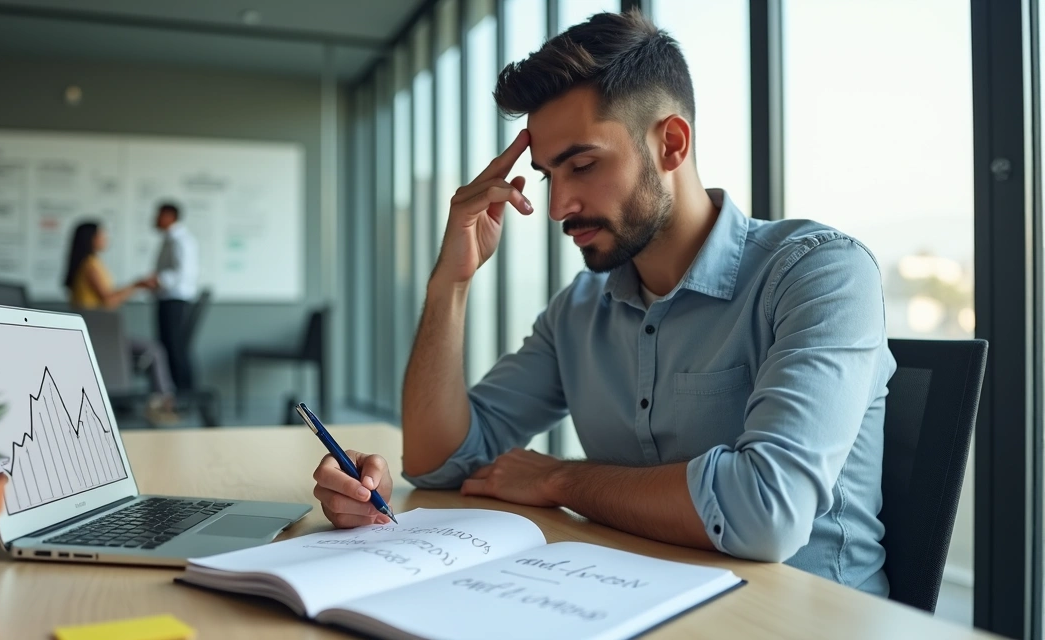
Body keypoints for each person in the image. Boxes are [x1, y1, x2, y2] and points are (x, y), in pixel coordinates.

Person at [310, 9, 896, 597]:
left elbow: (764, 513)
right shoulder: (582, 308)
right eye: (546, 176)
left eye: (583, 165)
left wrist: (560, 479)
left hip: (799, 616)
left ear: (671, 143)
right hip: (628, 598)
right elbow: (439, 461)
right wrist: (452, 282)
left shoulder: (821, 273)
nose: (559, 204)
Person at [63, 220, 179, 425]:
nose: (106, 238)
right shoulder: (90, 266)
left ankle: (161, 401)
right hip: (100, 336)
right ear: (91, 239)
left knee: (152, 350)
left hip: (98, 333)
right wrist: (137, 285)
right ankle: (163, 403)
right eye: (102, 234)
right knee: (154, 350)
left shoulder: (88, 264)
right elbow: (108, 300)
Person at [143, 202, 199, 393]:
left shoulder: (180, 240)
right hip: (167, 299)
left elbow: (182, 273)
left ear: (169, 216)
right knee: (167, 348)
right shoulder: (169, 239)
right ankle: (172, 393)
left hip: (175, 300)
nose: (155, 219)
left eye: (158, 215)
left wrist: (157, 280)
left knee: (175, 349)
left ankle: (184, 394)